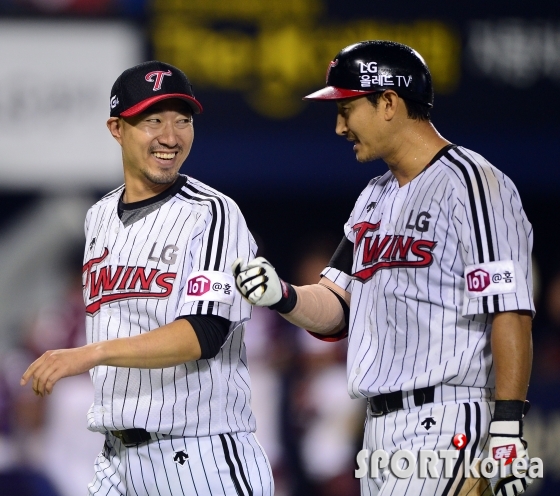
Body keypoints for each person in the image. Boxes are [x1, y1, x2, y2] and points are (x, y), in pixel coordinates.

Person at [233, 41, 535, 496]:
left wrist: (507, 430)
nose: (339, 127)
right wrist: (282, 295)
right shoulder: (374, 196)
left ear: (389, 102)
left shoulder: (474, 184)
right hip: (378, 429)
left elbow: (509, 309)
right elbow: (337, 305)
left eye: (347, 109)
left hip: (451, 418)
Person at [21, 60, 273, 496]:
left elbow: (204, 332)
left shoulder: (212, 213)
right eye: (152, 120)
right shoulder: (98, 217)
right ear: (117, 129)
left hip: (199, 458)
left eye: (183, 120)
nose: (170, 137)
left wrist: (89, 354)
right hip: (115, 458)